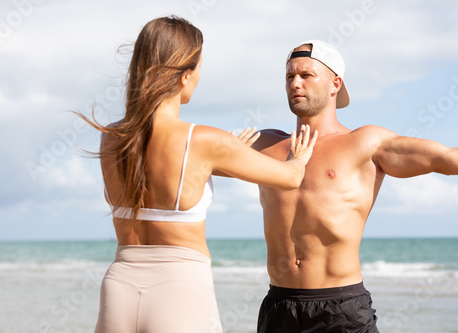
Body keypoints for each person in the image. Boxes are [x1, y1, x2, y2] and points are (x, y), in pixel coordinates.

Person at [77, 16, 317, 333]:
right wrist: (298, 157)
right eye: (199, 67)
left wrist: (225, 154)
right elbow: (289, 178)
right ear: (183, 76)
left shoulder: (111, 137)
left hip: (119, 285)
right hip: (179, 290)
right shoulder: (202, 140)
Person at [251, 40, 458, 333]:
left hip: (340, 309)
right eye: (290, 76)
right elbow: (196, 152)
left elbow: (448, 159)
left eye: (306, 75)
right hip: (279, 307)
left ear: (335, 84)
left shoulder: (365, 143)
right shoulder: (264, 144)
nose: (295, 83)